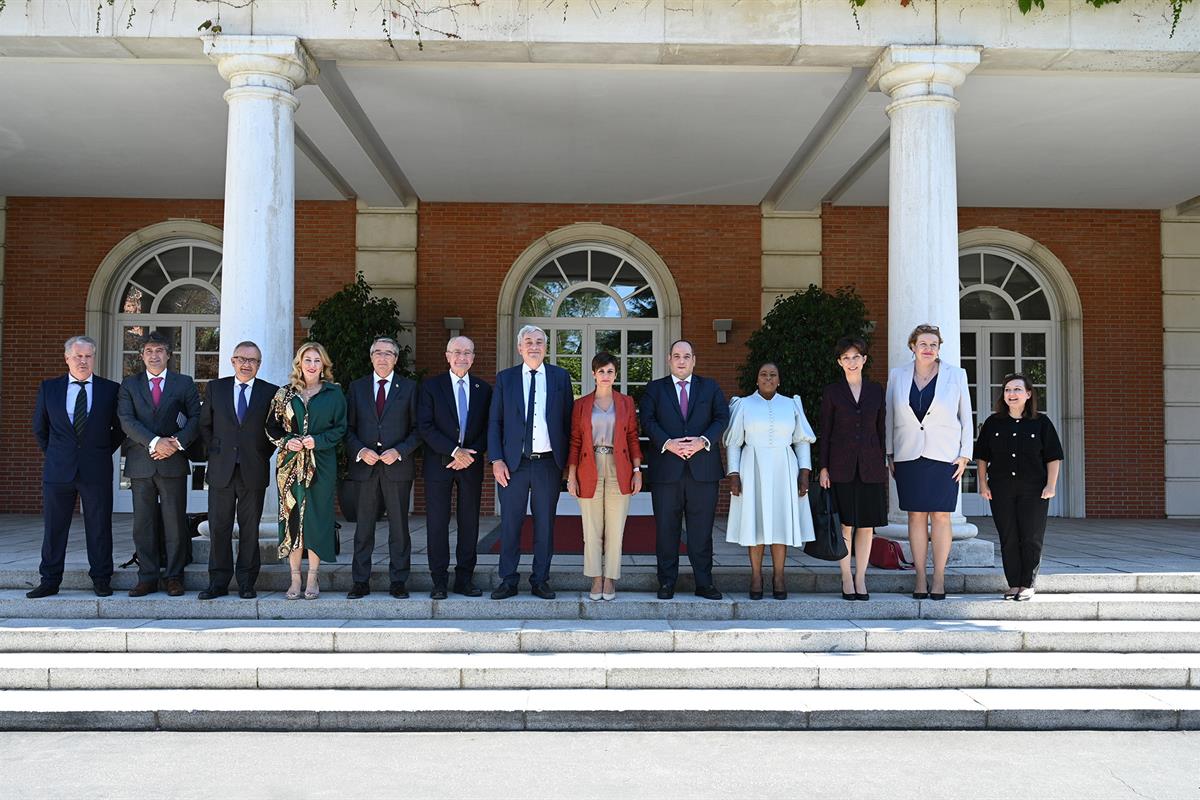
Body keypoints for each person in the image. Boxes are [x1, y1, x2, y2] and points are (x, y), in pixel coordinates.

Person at [28, 335, 125, 598]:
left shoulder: (110, 389)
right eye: (78, 356)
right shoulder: (50, 388)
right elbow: (40, 428)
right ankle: (49, 580)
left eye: (88, 356)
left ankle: (102, 579)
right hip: (58, 470)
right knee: (54, 528)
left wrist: (100, 451)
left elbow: (119, 430)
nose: (83, 361)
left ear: (94, 358)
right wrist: (57, 454)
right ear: (67, 358)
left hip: (96, 468)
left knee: (99, 526)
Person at [886, 323, 973, 601]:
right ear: (913, 346)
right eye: (923, 344)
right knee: (916, 516)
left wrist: (965, 453)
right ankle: (920, 577)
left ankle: (939, 578)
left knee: (941, 516)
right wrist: (889, 452)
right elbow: (890, 415)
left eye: (933, 344)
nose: (928, 349)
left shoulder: (955, 375)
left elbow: (966, 416)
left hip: (945, 455)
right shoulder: (897, 375)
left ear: (939, 348)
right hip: (908, 454)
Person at [639, 339, 729, 600]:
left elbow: (721, 417)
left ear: (694, 360)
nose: (681, 360)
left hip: (703, 472)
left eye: (686, 356)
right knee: (666, 530)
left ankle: (704, 582)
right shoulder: (655, 389)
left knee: (702, 531)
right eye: (676, 355)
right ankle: (667, 582)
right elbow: (647, 420)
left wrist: (704, 441)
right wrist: (668, 443)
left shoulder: (709, 387)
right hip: (667, 471)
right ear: (669, 359)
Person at [488, 325, 573, 600]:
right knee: (510, 524)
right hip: (514, 464)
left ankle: (540, 579)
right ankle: (508, 580)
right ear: (519, 347)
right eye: (528, 341)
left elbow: (569, 423)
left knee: (545, 525)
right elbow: (495, 422)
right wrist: (497, 459)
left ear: (546, 348)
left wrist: (568, 465)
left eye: (539, 342)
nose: (534, 346)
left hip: (548, 464)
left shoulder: (560, 378)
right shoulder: (506, 379)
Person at [117, 330, 202, 597]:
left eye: (159, 351)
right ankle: (148, 577)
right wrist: (155, 442)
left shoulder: (184, 383)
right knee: (143, 524)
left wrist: (175, 444)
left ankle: (174, 576)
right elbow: (126, 421)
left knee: (175, 523)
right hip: (141, 463)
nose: (154, 356)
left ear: (168, 355)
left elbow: (196, 418)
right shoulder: (129, 385)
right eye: (149, 351)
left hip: (173, 462)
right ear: (142, 356)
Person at [725, 362, 815, 600]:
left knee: (779, 522)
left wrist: (804, 472)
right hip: (752, 466)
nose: (768, 378)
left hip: (784, 468)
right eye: (763, 374)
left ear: (779, 380)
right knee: (755, 522)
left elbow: (802, 441)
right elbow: (733, 442)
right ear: (756, 379)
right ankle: (756, 575)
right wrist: (733, 474)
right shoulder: (743, 404)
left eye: (772, 374)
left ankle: (779, 575)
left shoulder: (791, 404)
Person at [198, 340, 280, 600]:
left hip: (253, 471)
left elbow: (274, 431)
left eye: (252, 360)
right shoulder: (216, 388)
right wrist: (216, 452)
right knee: (219, 528)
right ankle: (218, 582)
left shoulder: (271, 392)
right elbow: (205, 426)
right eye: (242, 359)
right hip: (221, 470)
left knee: (249, 529)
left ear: (259, 364)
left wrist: (258, 454)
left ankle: (246, 582)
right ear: (232, 361)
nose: (247, 364)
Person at [266, 342, 346, 600]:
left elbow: (341, 428)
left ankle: (313, 576)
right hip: (289, 464)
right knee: (291, 517)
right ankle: (294, 579)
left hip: (321, 462)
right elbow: (271, 427)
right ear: (299, 364)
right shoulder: (284, 394)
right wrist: (285, 441)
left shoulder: (334, 393)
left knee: (317, 517)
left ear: (324, 365)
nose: (312, 365)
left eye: (317, 360)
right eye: (307, 360)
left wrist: (318, 441)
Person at [345, 337, 422, 600]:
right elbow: (348, 429)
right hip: (365, 468)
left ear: (396, 359)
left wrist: (399, 451)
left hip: (396, 468)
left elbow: (418, 430)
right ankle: (360, 581)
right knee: (363, 527)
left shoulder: (410, 388)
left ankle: (399, 581)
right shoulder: (357, 388)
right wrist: (360, 450)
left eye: (388, 353)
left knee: (399, 528)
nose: (383, 357)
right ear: (371, 357)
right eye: (378, 352)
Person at [974, 373, 1063, 601]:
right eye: (1007, 390)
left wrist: (1051, 485)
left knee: (1031, 536)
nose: (1011, 394)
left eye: (1017, 390)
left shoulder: (1041, 423)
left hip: (1034, 489)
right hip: (1001, 488)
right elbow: (982, 457)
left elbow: (1053, 457)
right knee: (1008, 536)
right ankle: (1013, 583)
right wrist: (983, 483)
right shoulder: (993, 423)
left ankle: (1028, 583)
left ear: (1028, 394)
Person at [418, 336, 492, 599]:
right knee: (437, 524)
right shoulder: (431, 387)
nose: (462, 357)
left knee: (469, 523)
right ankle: (439, 581)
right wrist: (453, 451)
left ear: (473, 357)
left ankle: (465, 579)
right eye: (457, 352)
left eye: (468, 352)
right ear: (447, 355)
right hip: (439, 464)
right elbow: (425, 426)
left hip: (470, 465)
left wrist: (470, 454)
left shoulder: (484, 389)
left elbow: (489, 428)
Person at [567, 352, 644, 601]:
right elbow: (575, 442)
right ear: (593, 374)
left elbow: (633, 437)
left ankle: (610, 579)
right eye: (601, 371)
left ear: (615, 374)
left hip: (618, 466)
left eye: (610, 371)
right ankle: (595, 578)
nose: (606, 376)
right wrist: (571, 476)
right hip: (588, 467)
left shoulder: (626, 402)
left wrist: (636, 471)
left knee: (615, 529)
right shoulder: (581, 405)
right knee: (591, 529)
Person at [819, 337, 888, 601]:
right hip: (840, 466)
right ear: (839, 362)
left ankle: (861, 578)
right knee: (846, 525)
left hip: (870, 466)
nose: (851, 362)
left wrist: (882, 459)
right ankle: (846, 577)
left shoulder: (876, 391)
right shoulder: (833, 392)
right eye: (846, 358)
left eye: (856, 357)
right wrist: (823, 467)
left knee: (866, 525)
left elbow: (880, 429)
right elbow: (826, 431)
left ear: (864, 360)